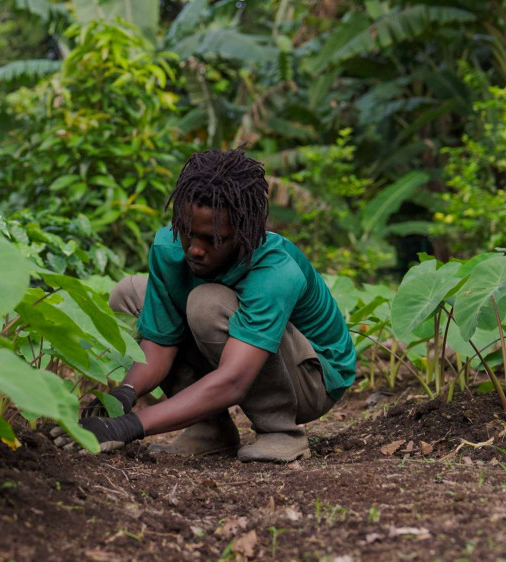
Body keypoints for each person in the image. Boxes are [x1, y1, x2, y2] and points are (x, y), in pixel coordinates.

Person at [52, 147, 356, 462]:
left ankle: (280, 430)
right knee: (129, 293)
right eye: (187, 233)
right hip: (240, 353)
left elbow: (235, 380)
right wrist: (124, 396)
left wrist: (127, 427)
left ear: (243, 233)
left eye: (214, 240)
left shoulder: (274, 270)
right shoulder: (169, 247)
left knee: (207, 304)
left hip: (313, 380)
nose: (195, 250)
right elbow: (159, 344)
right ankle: (209, 429)